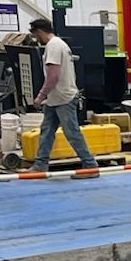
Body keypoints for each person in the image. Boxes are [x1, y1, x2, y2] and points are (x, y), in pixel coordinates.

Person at [29, 18, 99, 172]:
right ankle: (40, 164)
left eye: (35, 36)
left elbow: (53, 76)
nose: (36, 39)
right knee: (46, 131)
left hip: (63, 98)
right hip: (55, 98)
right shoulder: (60, 44)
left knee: (72, 132)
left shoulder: (53, 46)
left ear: (39, 32)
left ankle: (90, 164)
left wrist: (40, 96)